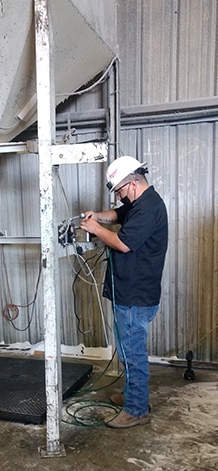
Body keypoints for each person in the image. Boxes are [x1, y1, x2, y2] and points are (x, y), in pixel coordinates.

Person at [80, 155, 168, 429]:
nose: (118, 197)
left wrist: (95, 229)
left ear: (132, 182)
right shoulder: (140, 202)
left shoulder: (148, 209)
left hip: (135, 295)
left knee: (133, 355)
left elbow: (123, 243)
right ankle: (135, 397)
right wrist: (99, 216)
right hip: (132, 292)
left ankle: (137, 410)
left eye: (119, 191)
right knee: (131, 352)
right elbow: (118, 215)